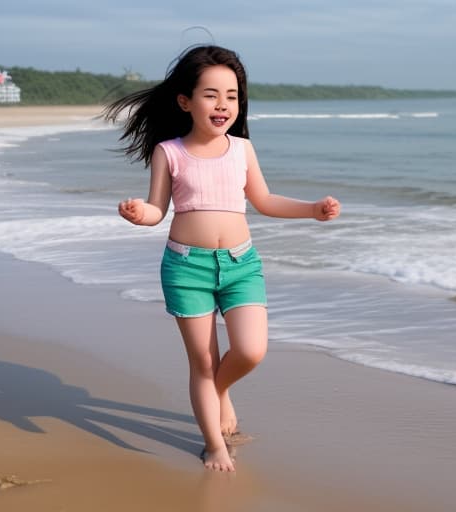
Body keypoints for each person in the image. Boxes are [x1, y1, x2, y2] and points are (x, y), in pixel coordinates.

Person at [104, 45, 340, 472]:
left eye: (231, 96)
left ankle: (218, 392)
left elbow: (264, 200)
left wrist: (311, 209)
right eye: (211, 94)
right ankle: (213, 443)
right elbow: (159, 209)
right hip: (185, 267)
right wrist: (140, 215)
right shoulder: (169, 152)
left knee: (250, 350)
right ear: (185, 101)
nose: (223, 105)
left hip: (241, 264)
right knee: (204, 363)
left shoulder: (242, 149)